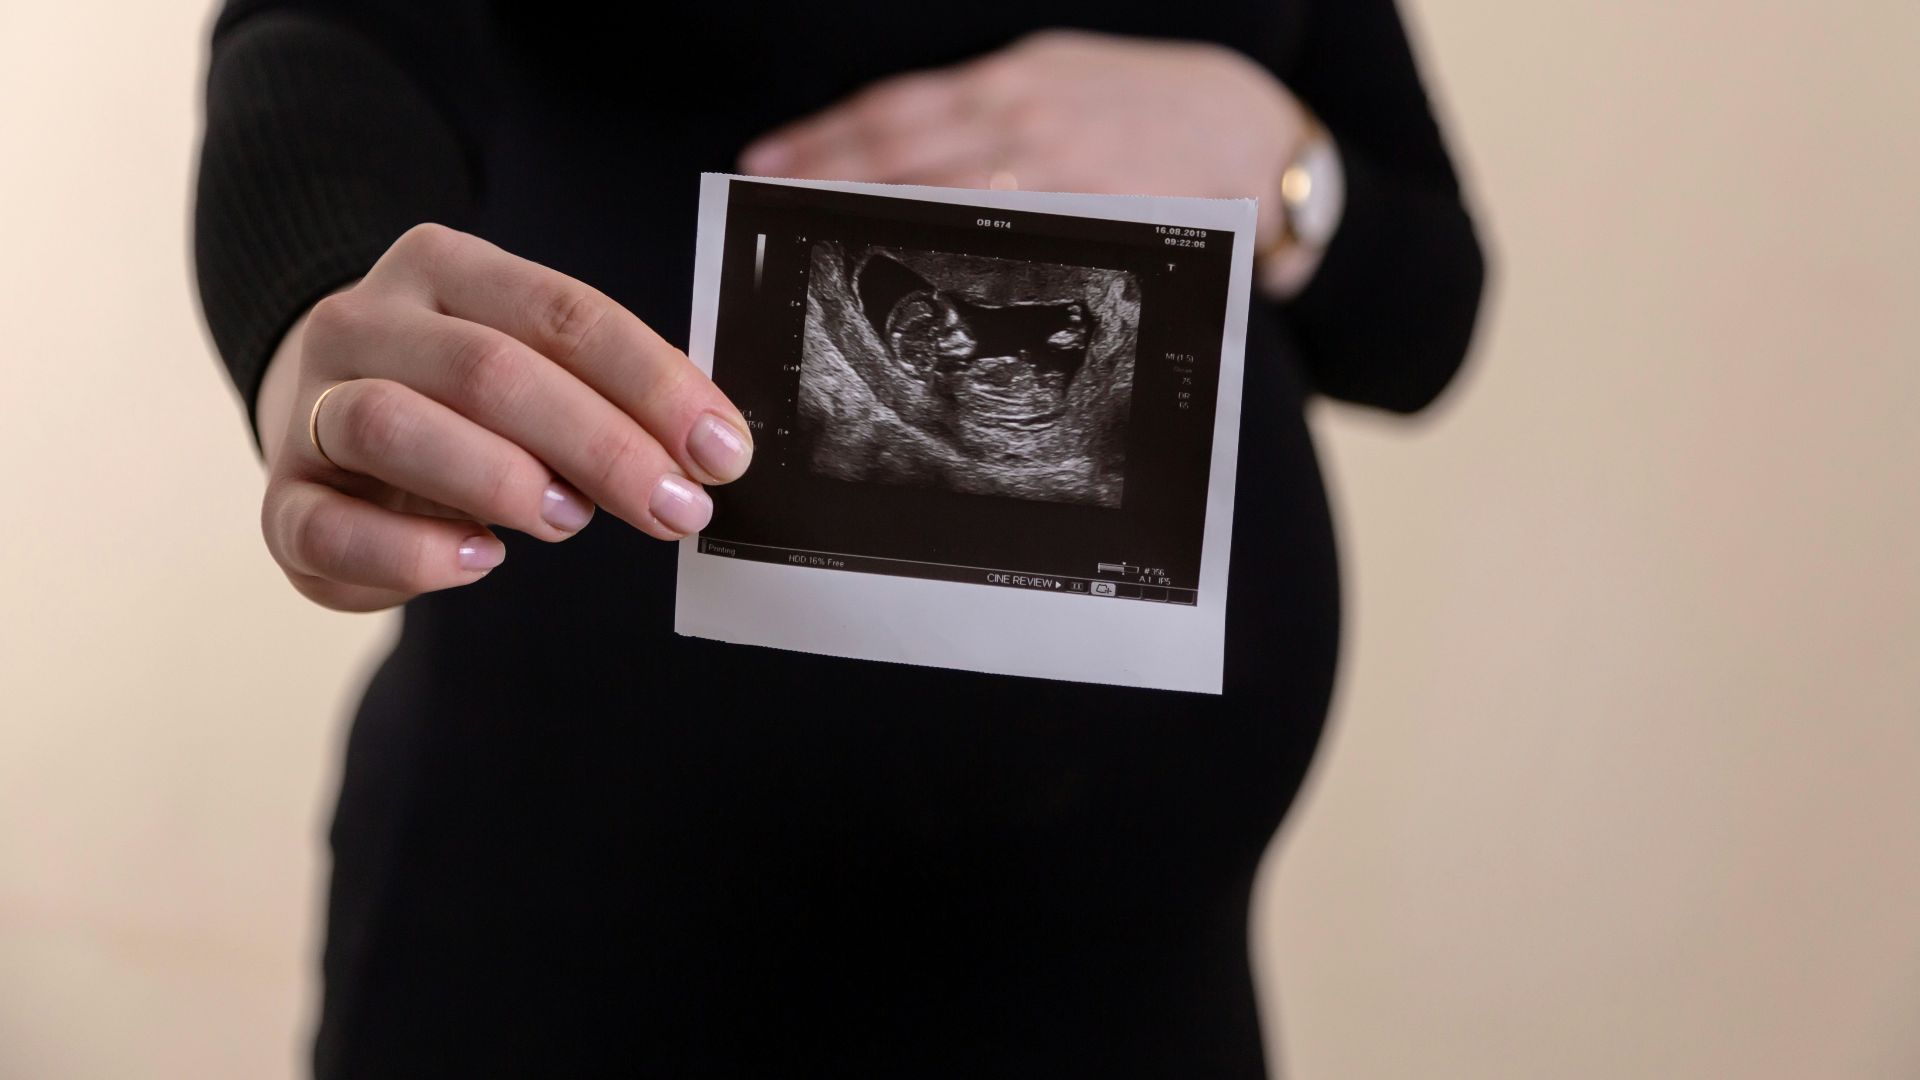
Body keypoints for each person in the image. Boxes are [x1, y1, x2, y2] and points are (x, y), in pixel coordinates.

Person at [194, 3, 1485, 1076]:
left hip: (1133, 978)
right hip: (581, 940)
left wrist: (1285, 163)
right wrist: (318, 308)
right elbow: (330, 34)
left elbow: (1423, 318)